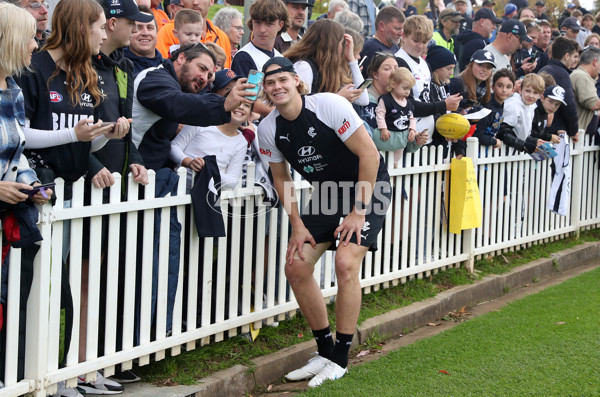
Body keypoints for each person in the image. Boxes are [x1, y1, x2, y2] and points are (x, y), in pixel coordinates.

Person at [257, 56, 392, 388]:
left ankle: (342, 358)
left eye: (283, 81)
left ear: (297, 82)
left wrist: (359, 212)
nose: (277, 87)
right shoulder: (268, 129)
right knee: (296, 266)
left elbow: (370, 155)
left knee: (345, 262)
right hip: (327, 193)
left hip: (368, 187)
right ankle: (324, 350)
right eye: (270, 83)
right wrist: (297, 224)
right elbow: (281, 178)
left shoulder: (328, 105)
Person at [0, 2, 53, 386]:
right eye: (31, 37)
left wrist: (32, 182)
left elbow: (16, 153)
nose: (36, 45)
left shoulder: (13, 88)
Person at [132, 43, 254, 171]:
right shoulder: (155, 78)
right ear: (181, 58)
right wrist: (223, 104)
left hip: (148, 173)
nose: (204, 78)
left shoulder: (173, 83)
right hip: (132, 172)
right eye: (202, 68)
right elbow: (178, 103)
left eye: (209, 75)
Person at [395, 15, 462, 143]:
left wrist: (444, 128)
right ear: (403, 36)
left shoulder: (424, 63)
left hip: (427, 137)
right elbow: (406, 105)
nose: (420, 46)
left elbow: (430, 99)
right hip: (408, 136)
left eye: (424, 42)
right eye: (416, 40)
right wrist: (443, 105)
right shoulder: (399, 61)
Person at [169, 102, 251, 190]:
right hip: (175, 190)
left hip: (206, 197)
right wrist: (189, 162)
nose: (241, 107)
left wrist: (207, 169)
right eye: (238, 103)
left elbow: (232, 181)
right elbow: (173, 147)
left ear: (250, 114)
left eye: (247, 105)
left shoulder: (242, 141)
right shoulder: (201, 121)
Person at [285, 19, 368, 106]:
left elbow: (362, 100)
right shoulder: (303, 66)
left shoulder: (329, 67)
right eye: (341, 43)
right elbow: (301, 106)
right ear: (331, 45)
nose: (342, 48)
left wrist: (352, 61)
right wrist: (339, 98)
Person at [230, 0, 289, 116]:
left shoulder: (281, 58)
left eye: (269, 23)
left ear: (280, 25)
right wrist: (286, 114)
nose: (262, 29)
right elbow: (250, 100)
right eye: (257, 22)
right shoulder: (245, 57)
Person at [155, 0, 232, 67]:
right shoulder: (167, 31)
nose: (195, 2)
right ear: (182, 1)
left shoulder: (222, 37)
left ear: (211, 1)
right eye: (188, 34)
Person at [426, 45, 466, 158]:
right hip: (433, 145)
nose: (452, 73)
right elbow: (433, 112)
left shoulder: (443, 85)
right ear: (436, 68)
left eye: (453, 68)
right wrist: (446, 129)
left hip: (444, 147)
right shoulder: (430, 87)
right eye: (448, 68)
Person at [539, 36, 580, 141]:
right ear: (566, 56)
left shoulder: (544, 69)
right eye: (573, 56)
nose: (573, 61)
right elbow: (569, 105)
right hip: (554, 133)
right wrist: (573, 130)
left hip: (540, 128)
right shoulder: (561, 73)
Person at [375, 67, 418, 164]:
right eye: (405, 88)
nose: (407, 92)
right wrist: (383, 128)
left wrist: (412, 129)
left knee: (396, 160)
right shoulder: (386, 99)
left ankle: (395, 165)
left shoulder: (409, 103)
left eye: (409, 89)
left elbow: (411, 118)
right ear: (394, 84)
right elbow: (380, 114)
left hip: (402, 137)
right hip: (388, 134)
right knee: (382, 156)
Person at [496, 73, 546, 153]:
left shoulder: (531, 107)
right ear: (520, 89)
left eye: (535, 93)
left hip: (513, 152)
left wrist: (534, 141)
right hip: (500, 150)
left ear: (540, 95)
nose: (530, 95)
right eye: (527, 91)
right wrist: (524, 145)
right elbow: (503, 132)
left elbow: (521, 134)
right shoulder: (514, 105)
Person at [473, 68, 516, 149]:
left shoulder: (501, 105)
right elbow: (478, 135)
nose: (504, 90)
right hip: (475, 149)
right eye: (500, 86)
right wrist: (494, 141)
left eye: (508, 87)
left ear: (513, 90)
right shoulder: (487, 107)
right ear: (493, 87)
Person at [359, 6, 405, 78]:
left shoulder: (395, 46)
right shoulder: (371, 49)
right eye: (397, 28)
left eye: (402, 29)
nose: (401, 33)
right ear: (382, 26)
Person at [455, 8, 502, 72]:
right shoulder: (479, 43)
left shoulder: (467, 39)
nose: (494, 27)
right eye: (492, 23)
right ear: (482, 22)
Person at [450, 49, 494, 114]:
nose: (484, 70)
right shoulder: (456, 82)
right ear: (470, 65)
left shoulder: (484, 87)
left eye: (488, 67)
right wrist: (459, 113)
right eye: (480, 65)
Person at [124, 6, 164, 77]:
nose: (145, 33)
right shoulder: (120, 67)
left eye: (150, 28)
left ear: (156, 32)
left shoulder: (169, 67)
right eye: (138, 27)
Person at [570, 46, 600, 134]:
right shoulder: (582, 76)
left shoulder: (580, 75)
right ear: (595, 62)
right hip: (577, 137)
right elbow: (593, 104)